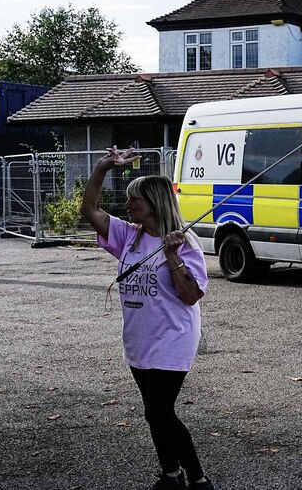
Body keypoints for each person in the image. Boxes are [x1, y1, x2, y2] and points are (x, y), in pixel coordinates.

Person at [80, 146, 215, 490]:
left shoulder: (185, 243)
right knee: (152, 412)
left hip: (172, 338)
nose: (128, 206)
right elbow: (89, 209)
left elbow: (191, 295)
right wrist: (101, 168)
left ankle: (199, 480)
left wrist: (172, 255)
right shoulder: (128, 234)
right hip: (139, 338)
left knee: (161, 412)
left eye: (134, 200)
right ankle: (171, 475)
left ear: (154, 203)